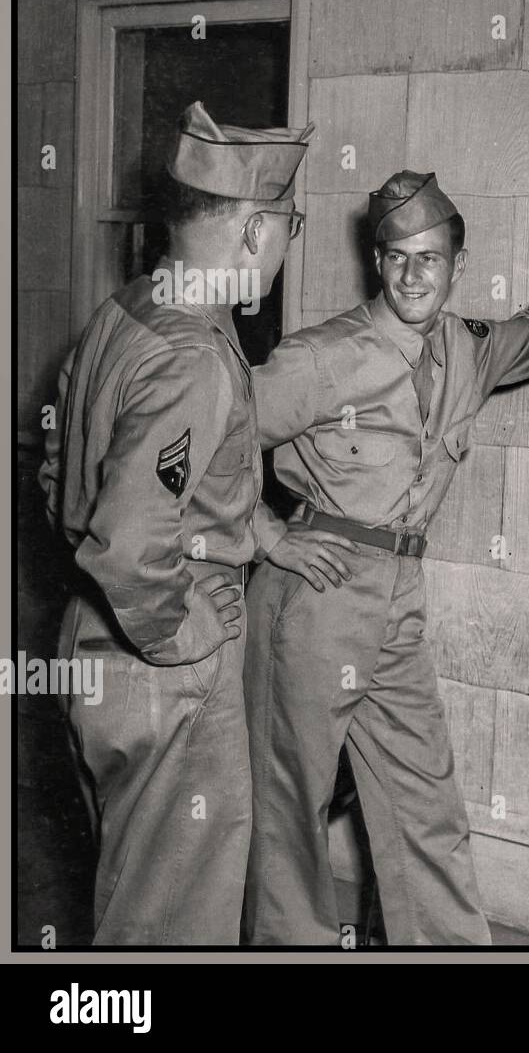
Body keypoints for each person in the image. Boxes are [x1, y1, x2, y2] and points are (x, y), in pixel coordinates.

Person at [242, 164, 529, 945]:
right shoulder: (322, 355)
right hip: (315, 596)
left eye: (429, 258)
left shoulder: (469, 348)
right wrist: (266, 536)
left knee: (423, 803)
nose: (412, 274)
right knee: (286, 808)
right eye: (397, 256)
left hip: (398, 601)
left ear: (456, 266)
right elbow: (211, 433)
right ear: (376, 260)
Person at [38, 103, 357, 944]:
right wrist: (181, 631)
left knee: (134, 896)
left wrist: (257, 532)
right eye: (289, 225)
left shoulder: (129, 315)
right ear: (254, 233)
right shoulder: (194, 359)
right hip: (163, 675)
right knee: (175, 924)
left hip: (91, 652)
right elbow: (131, 541)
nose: (289, 244)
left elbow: (62, 470)